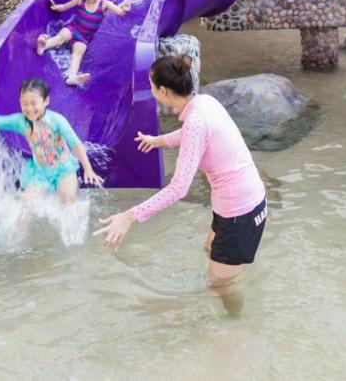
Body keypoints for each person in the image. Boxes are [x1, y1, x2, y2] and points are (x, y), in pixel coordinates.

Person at [96, 54, 267, 316]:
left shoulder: (196, 122)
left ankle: (236, 327)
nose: (151, 91)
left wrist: (130, 216)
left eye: (152, 86)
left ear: (163, 90)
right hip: (244, 202)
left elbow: (178, 189)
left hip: (239, 213)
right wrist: (160, 141)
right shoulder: (204, 103)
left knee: (221, 287)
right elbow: (194, 135)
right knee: (209, 247)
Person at [0, 78, 103, 205]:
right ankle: (18, 246)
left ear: (46, 101)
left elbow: (75, 144)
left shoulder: (57, 120)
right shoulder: (20, 121)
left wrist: (88, 169)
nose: (29, 108)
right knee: (25, 205)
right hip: (41, 172)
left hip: (64, 169)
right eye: (24, 104)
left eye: (34, 103)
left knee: (68, 205)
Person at [38, 0, 133, 86]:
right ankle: (44, 45)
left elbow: (120, 12)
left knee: (77, 54)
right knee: (60, 37)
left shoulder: (104, 4)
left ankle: (71, 77)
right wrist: (56, 7)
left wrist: (125, 9)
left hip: (83, 38)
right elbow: (65, 6)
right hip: (72, 28)